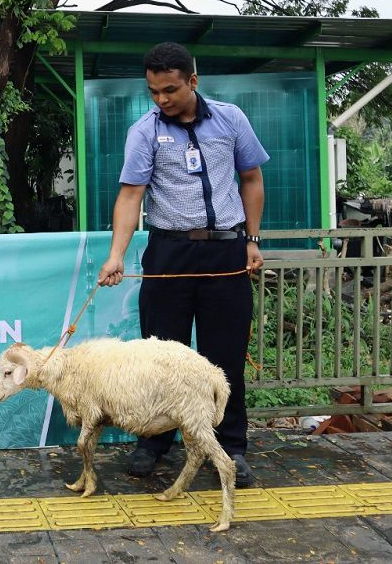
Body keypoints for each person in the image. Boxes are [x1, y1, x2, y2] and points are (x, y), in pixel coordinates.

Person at [97, 42, 268, 487]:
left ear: (193, 80)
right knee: (161, 358)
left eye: (170, 90)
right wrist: (116, 254)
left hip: (225, 252)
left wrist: (252, 240)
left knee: (224, 356)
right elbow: (130, 195)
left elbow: (251, 178)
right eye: (154, 92)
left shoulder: (231, 120)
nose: (162, 99)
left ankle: (230, 447)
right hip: (168, 253)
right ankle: (155, 444)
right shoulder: (144, 132)